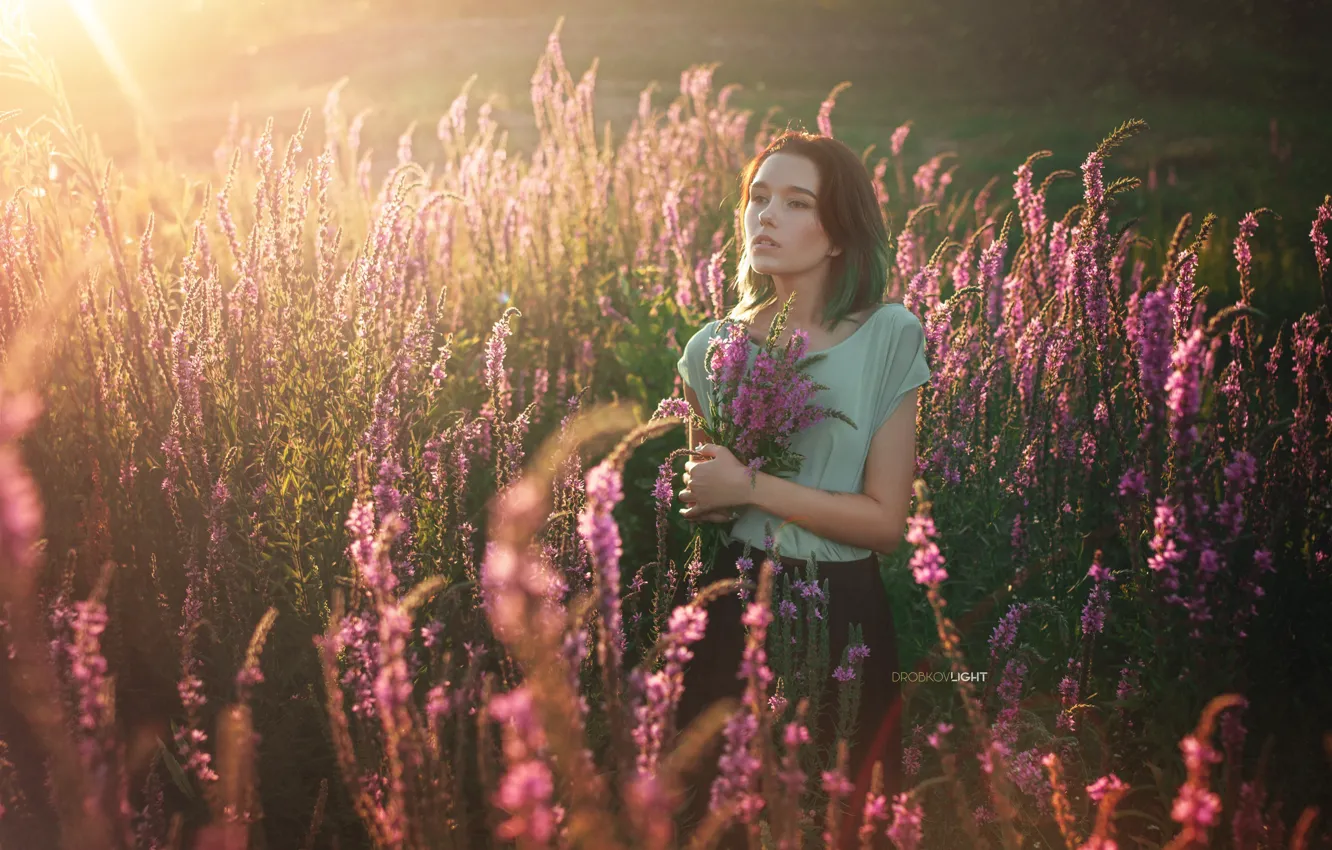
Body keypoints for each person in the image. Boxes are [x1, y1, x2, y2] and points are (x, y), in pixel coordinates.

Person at [671, 129, 932, 848]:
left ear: (839, 232)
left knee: (841, 816)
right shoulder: (710, 348)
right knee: (729, 822)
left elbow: (885, 523)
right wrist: (705, 493)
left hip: (843, 610)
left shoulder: (888, 335)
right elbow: (708, 502)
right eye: (758, 198)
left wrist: (750, 485)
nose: (767, 216)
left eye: (796, 202)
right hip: (733, 605)